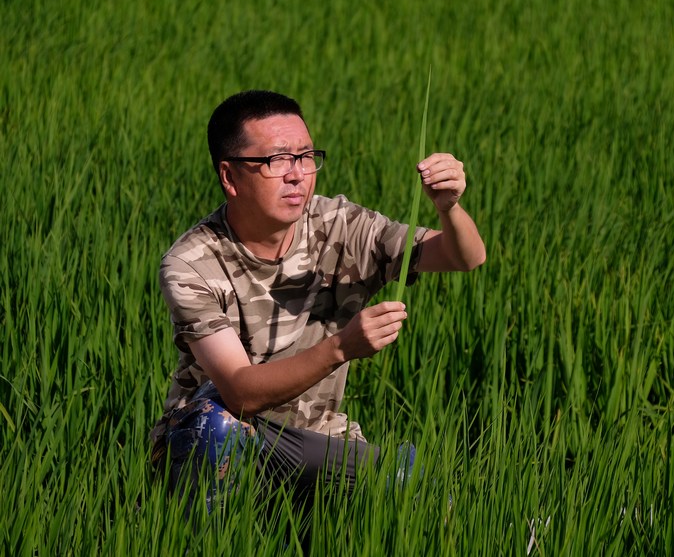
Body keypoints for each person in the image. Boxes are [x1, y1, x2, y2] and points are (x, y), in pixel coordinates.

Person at [150, 90, 485, 508]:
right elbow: (239, 393)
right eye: (277, 160)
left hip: (318, 438)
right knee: (214, 427)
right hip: (228, 434)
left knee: (421, 496)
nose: (297, 174)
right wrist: (342, 347)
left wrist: (449, 208)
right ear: (230, 177)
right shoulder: (191, 264)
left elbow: (463, 256)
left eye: (306, 157)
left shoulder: (337, 224)